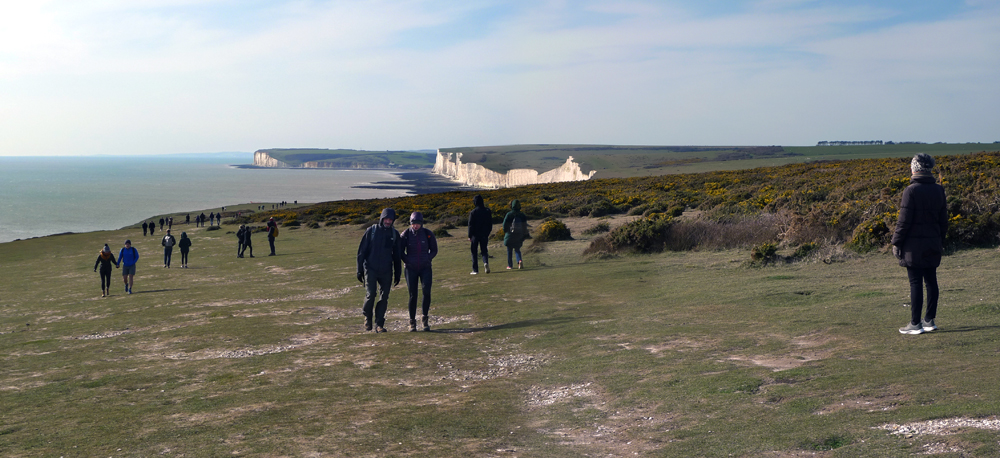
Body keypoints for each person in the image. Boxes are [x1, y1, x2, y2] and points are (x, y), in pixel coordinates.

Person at [893, 153, 948, 335]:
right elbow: (943, 221)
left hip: (913, 246)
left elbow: (903, 221)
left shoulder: (911, 191)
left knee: (915, 282)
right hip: (933, 242)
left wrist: (896, 242)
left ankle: (915, 323)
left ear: (914, 169)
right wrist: (940, 239)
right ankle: (929, 320)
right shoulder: (939, 190)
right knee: (931, 281)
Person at [356, 208, 401, 333]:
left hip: (386, 270)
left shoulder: (394, 234)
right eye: (386, 219)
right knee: (371, 295)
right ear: (382, 218)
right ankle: (367, 317)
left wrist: (398, 273)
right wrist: (359, 270)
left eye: (390, 219)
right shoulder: (371, 231)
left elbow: (397, 256)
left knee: (384, 297)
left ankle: (379, 324)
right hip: (371, 268)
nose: (388, 221)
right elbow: (361, 252)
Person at [400, 212, 438, 331]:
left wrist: (428, 258)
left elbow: (434, 250)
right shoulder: (405, 234)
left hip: (425, 267)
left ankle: (425, 319)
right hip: (410, 268)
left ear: (421, 223)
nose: (415, 226)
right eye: (413, 223)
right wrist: (407, 260)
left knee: (426, 292)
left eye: (417, 223)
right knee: (413, 294)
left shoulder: (428, 234)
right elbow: (400, 250)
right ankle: (412, 322)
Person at [467, 194, 493, 275]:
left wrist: (469, 235)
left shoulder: (473, 212)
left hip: (475, 235)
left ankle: (475, 270)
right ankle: (485, 262)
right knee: (484, 250)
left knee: (474, 251)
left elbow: (470, 225)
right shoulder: (487, 211)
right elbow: (490, 224)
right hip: (484, 234)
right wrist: (488, 232)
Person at [502, 199, 528, 270]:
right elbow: (525, 226)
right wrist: (524, 235)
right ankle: (519, 261)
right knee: (517, 249)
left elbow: (504, 225)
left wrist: (505, 231)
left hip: (510, 234)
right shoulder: (522, 215)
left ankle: (510, 265)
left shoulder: (509, 214)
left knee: (509, 250)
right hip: (519, 235)